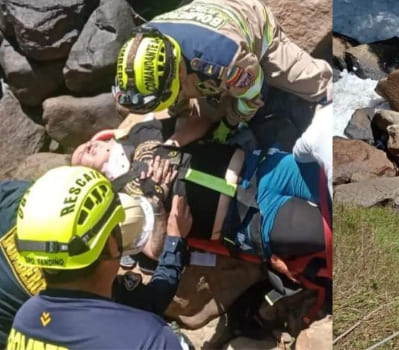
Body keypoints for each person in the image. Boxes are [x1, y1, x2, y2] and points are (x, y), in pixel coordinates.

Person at [71, 118, 328, 285]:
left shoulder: (142, 134)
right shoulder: (121, 205)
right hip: (250, 220)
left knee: (330, 182)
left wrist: (171, 143)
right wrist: (157, 201)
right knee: (325, 234)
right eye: (80, 157)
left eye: (86, 144)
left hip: (262, 169)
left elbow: (203, 121)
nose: (86, 149)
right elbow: (156, 251)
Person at [8, 166, 192, 349]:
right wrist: (175, 240)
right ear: (111, 242)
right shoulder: (151, 340)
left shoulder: (25, 320)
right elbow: (154, 299)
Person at [111, 0, 332, 147]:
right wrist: (181, 110)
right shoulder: (146, 37)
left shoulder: (223, 60)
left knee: (310, 82)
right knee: (208, 112)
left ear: (178, 70)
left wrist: (231, 123)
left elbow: (254, 92)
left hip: (252, 23)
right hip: (209, 15)